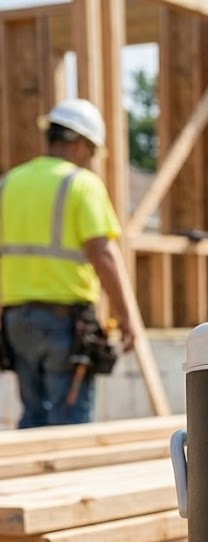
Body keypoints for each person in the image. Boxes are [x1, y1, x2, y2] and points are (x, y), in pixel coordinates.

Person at [0, 98, 142, 428]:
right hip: (63, 323)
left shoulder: (8, 184)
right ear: (79, 145)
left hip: (16, 321)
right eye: (91, 152)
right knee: (69, 424)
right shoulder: (81, 184)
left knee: (34, 416)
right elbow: (104, 255)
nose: (91, 161)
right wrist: (128, 319)